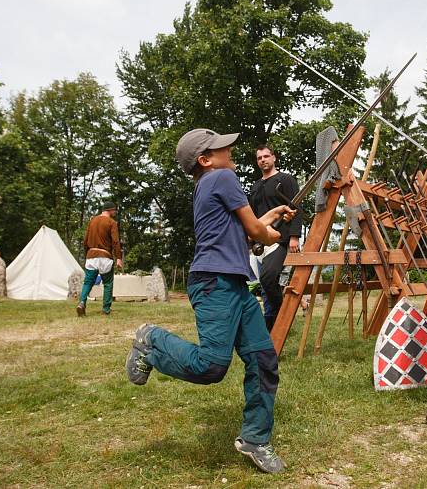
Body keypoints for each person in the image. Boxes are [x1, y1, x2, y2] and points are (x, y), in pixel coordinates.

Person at [125, 128, 295, 473]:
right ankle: (151, 339)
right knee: (211, 367)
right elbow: (259, 235)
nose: (229, 150)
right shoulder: (223, 178)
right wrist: (274, 233)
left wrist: (272, 215)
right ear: (205, 160)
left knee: (263, 361)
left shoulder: (211, 184)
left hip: (233, 284)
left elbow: (247, 231)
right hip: (214, 284)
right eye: (220, 148)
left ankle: (255, 439)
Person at [248, 145, 302, 331]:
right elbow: (252, 217)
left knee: (268, 278)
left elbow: (296, 207)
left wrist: (294, 236)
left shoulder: (285, 180)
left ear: (274, 157)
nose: (263, 160)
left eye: (266, 156)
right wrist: (251, 241)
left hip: (281, 238)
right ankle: (270, 326)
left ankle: (283, 316)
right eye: (259, 158)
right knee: (265, 287)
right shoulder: (255, 186)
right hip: (259, 242)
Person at [76, 201, 122, 316]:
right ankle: (106, 309)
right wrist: (119, 258)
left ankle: (82, 302)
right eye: (114, 210)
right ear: (110, 210)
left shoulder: (92, 221)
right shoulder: (112, 222)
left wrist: (87, 253)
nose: (115, 212)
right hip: (105, 257)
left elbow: (85, 240)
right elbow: (115, 242)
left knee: (88, 282)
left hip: (91, 256)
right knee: (107, 283)